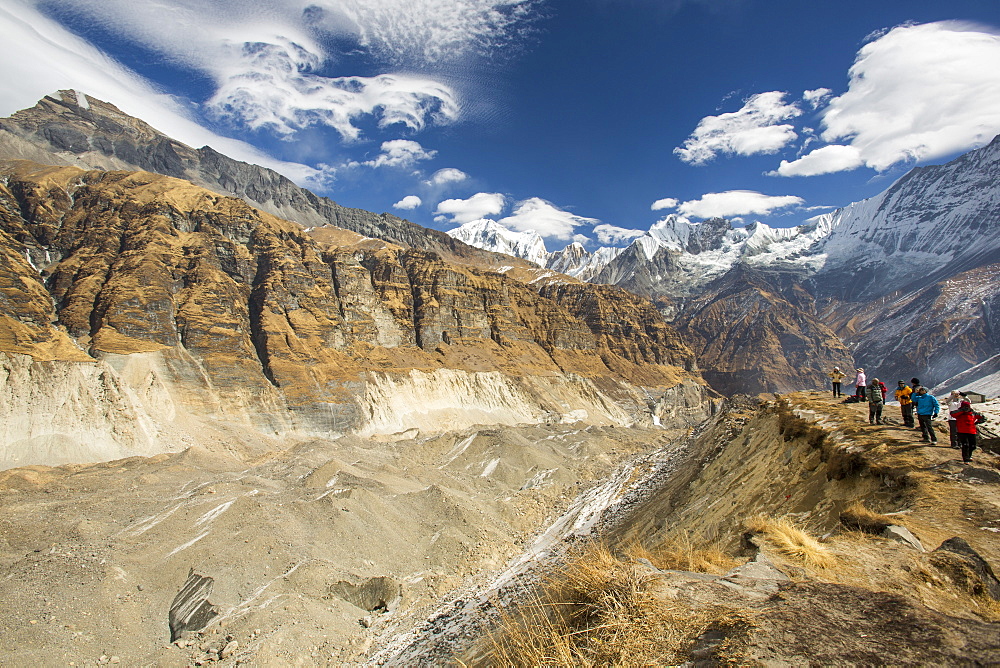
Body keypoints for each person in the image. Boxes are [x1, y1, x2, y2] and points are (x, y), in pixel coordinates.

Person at [950, 399, 978, 463]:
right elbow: (952, 414)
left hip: (972, 431)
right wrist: (962, 410)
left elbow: (982, 417)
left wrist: (977, 422)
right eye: (965, 406)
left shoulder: (972, 413)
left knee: (973, 445)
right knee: (965, 445)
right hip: (962, 431)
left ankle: (969, 455)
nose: (967, 408)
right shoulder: (959, 413)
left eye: (968, 406)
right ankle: (966, 458)